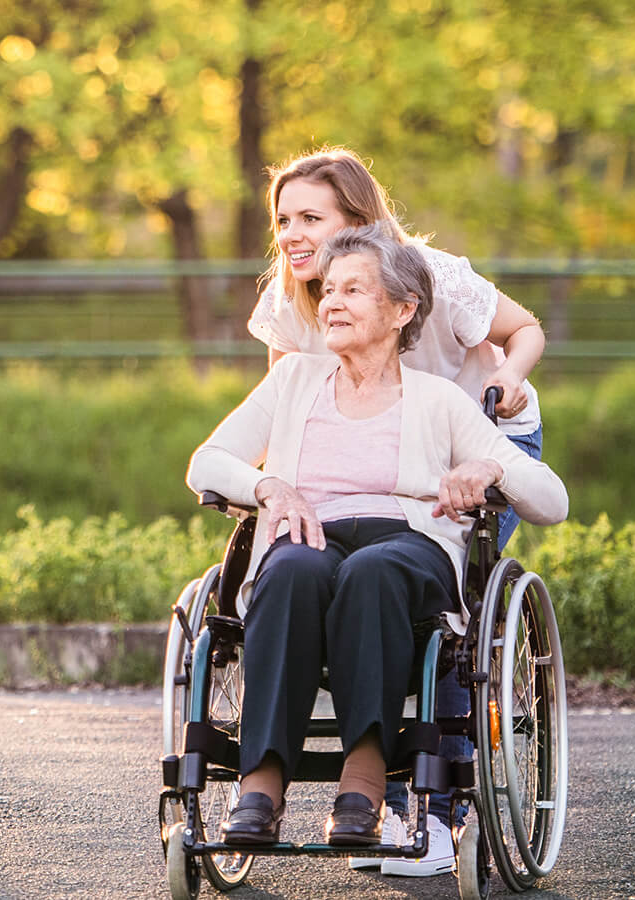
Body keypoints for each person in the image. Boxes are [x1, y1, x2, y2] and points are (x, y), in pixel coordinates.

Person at [184, 224, 567, 853]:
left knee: (374, 571)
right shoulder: (293, 381)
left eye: (354, 290)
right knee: (288, 571)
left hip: (407, 546)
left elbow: (552, 499)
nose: (331, 301)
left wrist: (491, 468)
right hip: (310, 533)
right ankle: (262, 780)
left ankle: (361, 779)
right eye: (328, 289)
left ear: (402, 310)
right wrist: (270, 487)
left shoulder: (440, 399)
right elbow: (207, 461)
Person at [249, 147, 546, 874]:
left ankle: (439, 811)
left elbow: (526, 327)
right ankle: (302, 777)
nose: (291, 232)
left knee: (439, 616)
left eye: (310, 217)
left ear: (359, 218)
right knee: (312, 570)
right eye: (283, 218)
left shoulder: (431, 275)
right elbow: (289, 416)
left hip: (478, 436)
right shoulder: (293, 296)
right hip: (371, 460)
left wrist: (506, 375)